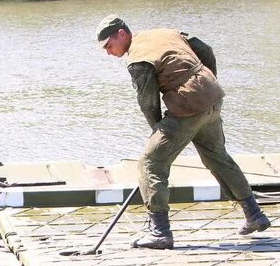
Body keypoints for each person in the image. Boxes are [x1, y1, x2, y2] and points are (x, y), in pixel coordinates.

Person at [97, 15, 270, 249]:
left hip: (187, 106)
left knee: (151, 162)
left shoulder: (138, 59)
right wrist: (206, 82)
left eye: (109, 45)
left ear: (121, 34)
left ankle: (160, 232)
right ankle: (254, 214)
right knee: (217, 157)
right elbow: (205, 50)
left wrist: (158, 129)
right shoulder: (164, 33)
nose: (108, 52)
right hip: (211, 97)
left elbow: (148, 102)